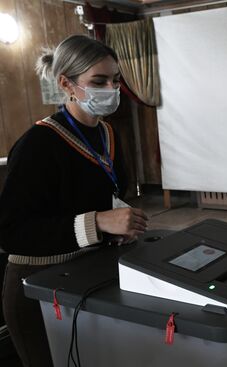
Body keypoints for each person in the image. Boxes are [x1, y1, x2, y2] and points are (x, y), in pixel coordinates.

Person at [0, 35, 149, 367]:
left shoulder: (107, 133)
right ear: (66, 83)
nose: (110, 89)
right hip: (38, 285)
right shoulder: (38, 144)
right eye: (98, 81)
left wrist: (119, 222)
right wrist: (97, 222)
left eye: (115, 80)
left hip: (89, 274)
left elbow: (106, 192)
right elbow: (11, 233)